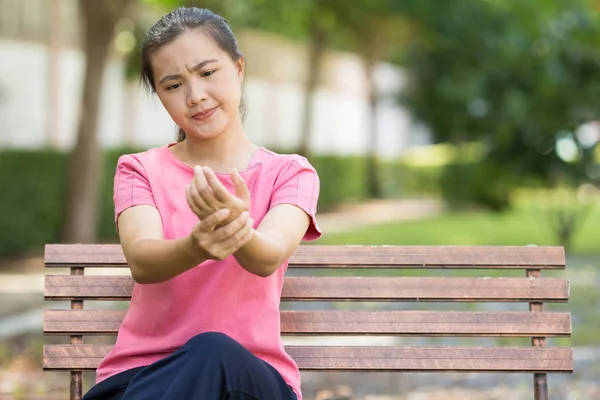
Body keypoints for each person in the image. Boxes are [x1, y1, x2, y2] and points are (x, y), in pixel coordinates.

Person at [82, 7, 321, 400]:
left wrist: (234, 225)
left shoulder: (290, 174)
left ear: (239, 68)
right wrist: (196, 246)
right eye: (173, 85)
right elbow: (142, 260)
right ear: (159, 95)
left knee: (214, 351)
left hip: (250, 381)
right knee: (204, 359)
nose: (196, 96)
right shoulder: (139, 170)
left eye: (208, 73)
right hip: (141, 380)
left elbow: (268, 256)